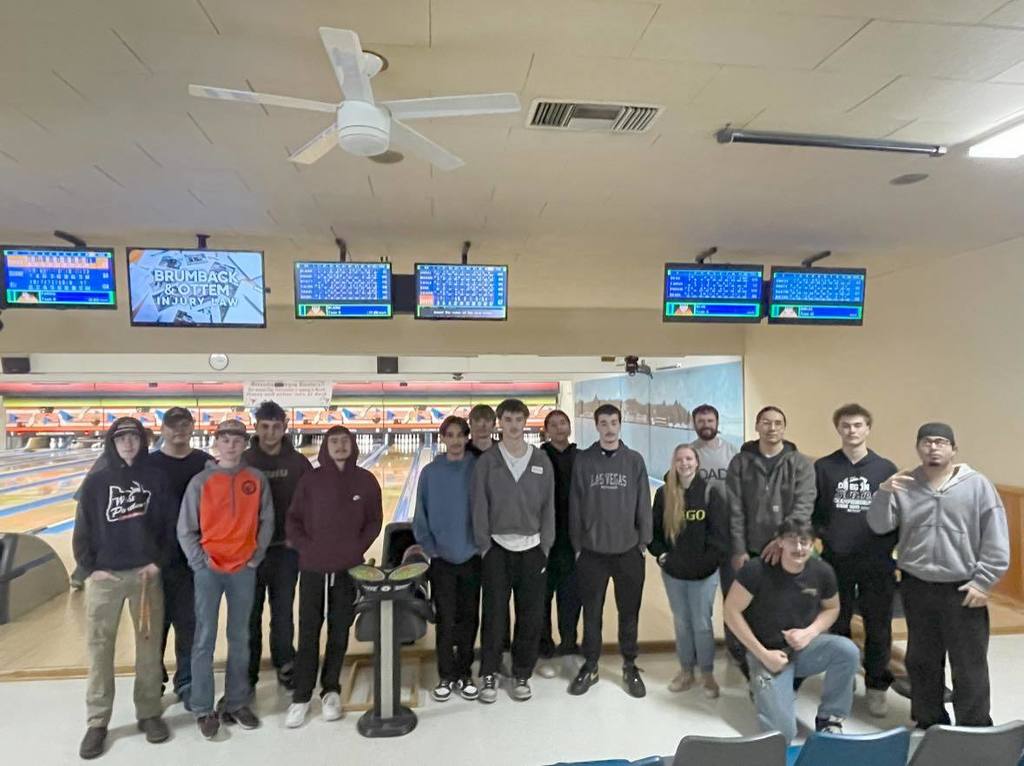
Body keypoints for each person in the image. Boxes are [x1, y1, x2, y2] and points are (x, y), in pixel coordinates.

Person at [868, 422, 1009, 729]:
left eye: (941, 442)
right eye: (927, 442)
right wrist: (883, 492)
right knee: (921, 660)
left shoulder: (977, 485)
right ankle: (928, 720)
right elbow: (879, 525)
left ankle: (974, 726)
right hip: (916, 587)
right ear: (918, 448)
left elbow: (996, 538)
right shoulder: (904, 484)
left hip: (964, 588)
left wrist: (985, 581)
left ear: (953, 449)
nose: (933, 447)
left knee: (968, 664)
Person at [72, 417, 172, 759]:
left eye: (134, 437)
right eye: (121, 438)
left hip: (145, 577)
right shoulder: (97, 482)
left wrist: (158, 562)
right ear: (112, 443)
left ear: (142, 441)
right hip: (106, 579)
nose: (128, 443)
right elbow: (82, 528)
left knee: (148, 649)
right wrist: (91, 567)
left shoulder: (156, 479)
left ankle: (148, 713)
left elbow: (169, 527)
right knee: (100, 649)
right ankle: (98, 721)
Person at [724, 518, 859, 743]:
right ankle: (760, 685)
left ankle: (830, 718)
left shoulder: (822, 572)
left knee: (847, 651)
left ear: (813, 544)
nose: (798, 548)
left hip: (804, 648)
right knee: (783, 735)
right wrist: (763, 655)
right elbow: (731, 612)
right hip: (767, 653)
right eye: (792, 541)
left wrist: (810, 632)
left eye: (804, 542)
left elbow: (832, 608)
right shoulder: (756, 570)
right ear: (780, 542)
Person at [178, 419, 273, 740]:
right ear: (216, 443)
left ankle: (236, 701)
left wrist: (255, 557)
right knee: (204, 637)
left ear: (245, 444)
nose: (231, 444)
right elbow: (186, 528)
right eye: (225, 439)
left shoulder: (255, 479)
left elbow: (266, 521)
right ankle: (204, 708)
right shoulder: (200, 482)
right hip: (209, 570)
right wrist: (199, 562)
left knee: (240, 637)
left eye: (237, 439)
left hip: (243, 569)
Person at [284, 425, 383, 728]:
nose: (340, 446)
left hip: (347, 569)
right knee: (309, 631)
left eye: (345, 441)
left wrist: (356, 549)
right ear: (326, 446)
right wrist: (306, 548)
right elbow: (294, 520)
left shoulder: (366, 480)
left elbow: (374, 521)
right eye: (334, 441)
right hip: (313, 567)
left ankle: (331, 690)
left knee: (339, 630)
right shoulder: (310, 480)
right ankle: (301, 696)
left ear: (353, 445)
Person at [812, 403, 898, 717]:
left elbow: (895, 516)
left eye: (858, 425)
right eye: (846, 426)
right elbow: (815, 511)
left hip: (877, 562)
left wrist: (893, 551)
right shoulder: (824, 467)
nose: (852, 431)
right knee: (837, 622)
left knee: (878, 625)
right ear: (838, 429)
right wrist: (824, 538)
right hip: (836, 560)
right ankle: (842, 680)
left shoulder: (886, 469)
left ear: (868, 429)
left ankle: (876, 686)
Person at [471, 398, 555, 703]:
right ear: (500, 423)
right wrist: (484, 547)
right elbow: (479, 506)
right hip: (496, 548)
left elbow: (549, 508)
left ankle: (522, 672)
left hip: (533, 548)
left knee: (530, 615)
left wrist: (545, 545)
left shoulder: (541, 460)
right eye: (507, 419)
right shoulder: (488, 461)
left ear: (525, 422)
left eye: (519, 419)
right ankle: (490, 672)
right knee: (494, 616)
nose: (514, 425)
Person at [568, 403, 652, 698]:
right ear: (596, 426)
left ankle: (629, 665)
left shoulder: (634, 460)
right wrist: (578, 545)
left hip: (629, 551)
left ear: (620, 424)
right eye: (603, 423)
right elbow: (575, 504)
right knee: (591, 614)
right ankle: (590, 665)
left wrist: (644, 542)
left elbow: (644, 502)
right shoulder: (584, 460)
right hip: (592, 553)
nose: (609, 428)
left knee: (629, 613)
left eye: (613, 422)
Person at [726, 405, 816, 674]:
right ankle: (751, 663)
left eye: (778, 423)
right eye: (766, 422)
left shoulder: (799, 463)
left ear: (784, 428)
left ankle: (786, 666)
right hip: (751, 550)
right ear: (757, 427)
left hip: (789, 551)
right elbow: (735, 509)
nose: (772, 428)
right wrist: (739, 549)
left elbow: (803, 507)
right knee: (751, 611)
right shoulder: (740, 462)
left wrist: (781, 542)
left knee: (784, 607)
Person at [241, 400, 312, 691]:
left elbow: (312, 503)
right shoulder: (243, 461)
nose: (270, 433)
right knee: (250, 614)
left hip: (286, 550)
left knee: (282, 612)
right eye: (265, 427)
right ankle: (248, 672)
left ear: (284, 428)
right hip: (249, 553)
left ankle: (285, 663)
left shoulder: (298, 462)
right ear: (256, 428)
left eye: (276, 427)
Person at [649, 445, 728, 698]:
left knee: (702, 624)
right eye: (679, 459)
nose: (684, 463)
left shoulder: (710, 492)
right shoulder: (664, 494)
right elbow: (654, 534)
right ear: (674, 463)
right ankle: (686, 671)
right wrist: (663, 557)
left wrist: (706, 565)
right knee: (683, 623)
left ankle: (707, 674)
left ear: (697, 462)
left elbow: (720, 536)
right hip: (674, 573)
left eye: (689, 458)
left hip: (704, 574)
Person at [147, 406, 213, 707]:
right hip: (154, 561)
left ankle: (186, 682)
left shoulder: (204, 463)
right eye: (173, 426)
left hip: (191, 560)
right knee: (154, 628)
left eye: (185, 425)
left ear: (192, 428)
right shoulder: (148, 464)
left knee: (189, 624)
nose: (179, 431)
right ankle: (152, 683)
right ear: (163, 429)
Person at [413, 416, 481, 702]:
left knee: (469, 617)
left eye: (459, 435)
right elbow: (420, 515)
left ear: (467, 438)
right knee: (446, 618)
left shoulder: (478, 468)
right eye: (449, 435)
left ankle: (464, 672)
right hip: (441, 559)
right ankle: (446, 675)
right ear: (442, 438)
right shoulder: (430, 472)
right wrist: (431, 549)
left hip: (472, 555)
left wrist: (481, 545)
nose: (454, 440)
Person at [687, 403, 740, 668]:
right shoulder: (689, 454)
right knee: (700, 599)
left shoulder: (733, 453)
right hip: (700, 538)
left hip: (729, 536)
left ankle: (735, 647)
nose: (706, 424)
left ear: (717, 423)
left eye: (710, 420)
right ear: (694, 423)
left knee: (733, 596)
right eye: (701, 420)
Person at [537, 409, 582, 674]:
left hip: (572, 541)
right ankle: (544, 649)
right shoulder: (538, 458)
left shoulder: (582, 458)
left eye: (562, 422)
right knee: (541, 599)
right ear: (546, 430)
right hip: (544, 541)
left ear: (569, 427)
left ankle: (568, 646)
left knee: (570, 598)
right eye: (553, 424)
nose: (558, 427)